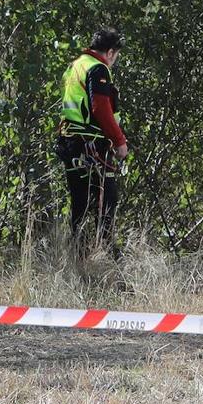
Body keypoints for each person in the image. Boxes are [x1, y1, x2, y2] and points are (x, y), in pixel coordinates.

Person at [55, 27, 129, 255]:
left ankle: (78, 253)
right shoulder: (98, 69)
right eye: (116, 55)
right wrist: (119, 141)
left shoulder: (76, 64)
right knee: (106, 199)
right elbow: (101, 108)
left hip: (70, 140)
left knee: (80, 200)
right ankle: (105, 253)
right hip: (90, 143)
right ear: (110, 52)